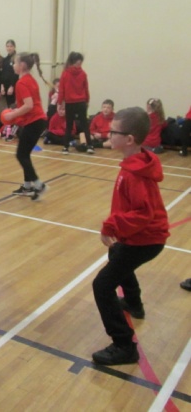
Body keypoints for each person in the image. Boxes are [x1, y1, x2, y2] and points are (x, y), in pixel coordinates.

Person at [91, 106, 169, 366]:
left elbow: (143, 214)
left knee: (102, 285)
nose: (108, 133)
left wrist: (111, 225)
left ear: (129, 139)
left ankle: (124, 345)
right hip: (142, 237)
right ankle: (134, 303)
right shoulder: (135, 163)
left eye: (114, 131)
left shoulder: (135, 174)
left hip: (147, 239)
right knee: (117, 252)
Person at [2, 52, 48, 201]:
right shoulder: (30, 79)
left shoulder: (21, 83)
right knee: (25, 154)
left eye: (14, 63)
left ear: (21, 65)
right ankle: (27, 186)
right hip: (37, 121)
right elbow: (28, 104)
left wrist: (12, 115)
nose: (13, 65)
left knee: (21, 155)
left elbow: (29, 105)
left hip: (34, 121)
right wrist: (17, 112)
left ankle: (39, 185)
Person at [58, 52, 94, 154]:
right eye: (79, 62)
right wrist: (87, 100)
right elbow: (85, 89)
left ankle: (65, 147)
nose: (79, 64)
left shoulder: (65, 73)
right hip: (80, 102)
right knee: (83, 124)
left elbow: (62, 90)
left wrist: (60, 102)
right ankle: (90, 146)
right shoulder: (82, 73)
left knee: (70, 125)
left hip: (72, 102)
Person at [1, 39, 19, 107]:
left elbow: (16, 73)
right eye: (7, 46)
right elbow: (3, 73)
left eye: (11, 46)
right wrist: (2, 86)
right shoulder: (5, 59)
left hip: (13, 85)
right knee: (9, 105)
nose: (9, 48)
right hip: (6, 85)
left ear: (14, 47)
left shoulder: (17, 58)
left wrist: (12, 86)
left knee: (14, 106)